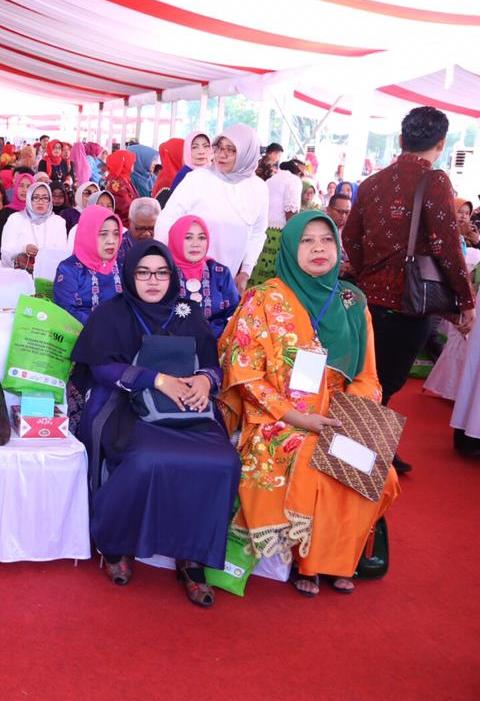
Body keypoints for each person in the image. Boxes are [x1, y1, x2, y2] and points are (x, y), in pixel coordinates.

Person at [219, 212, 400, 596]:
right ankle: (309, 562)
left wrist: (349, 415)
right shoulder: (264, 299)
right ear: (289, 248)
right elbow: (244, 374)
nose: (319, 248)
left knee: (378, 471)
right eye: (307, 240)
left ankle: (339, 558)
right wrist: (299, 417)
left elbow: (368, 375)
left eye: (327, 239)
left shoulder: (352, 302)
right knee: (308, 460)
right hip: (278, 418)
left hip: (339, 417)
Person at [72, 240, 240, 607]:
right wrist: (155, 379)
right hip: (128, 404)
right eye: (144, 272)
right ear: (130, 275)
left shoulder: (187, 312)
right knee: (146, 458)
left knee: (223, 461)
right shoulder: (113, 313)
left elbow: (211, 363)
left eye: (162, 273)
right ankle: (116, 541)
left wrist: (205, 380)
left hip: (187, 407)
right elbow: (100, 368)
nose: (153, 280)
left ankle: (192, 555)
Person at [342, 106, 475, 474]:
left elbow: (350, 236)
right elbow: (448, 247)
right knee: (386, 381)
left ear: (401, 139)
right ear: (441, 143)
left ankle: (370, 448)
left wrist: (367, 270)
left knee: (370, 374)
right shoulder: (434, 181)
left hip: (368, 299)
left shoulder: (372, 183)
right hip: (409, 302)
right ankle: (356, 458)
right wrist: (465, 300)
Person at [155, 124, 269, 295]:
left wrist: (245, 271)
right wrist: (162, 262)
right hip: (185, 275)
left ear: (247, 153)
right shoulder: (198, 178)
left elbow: (258, 233)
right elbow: (167, 219)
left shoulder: (258, 188)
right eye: (220, 147)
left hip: (227, 279)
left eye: (231, 150)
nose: (222, 154)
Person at [167, 215, 238, 338]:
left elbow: (234, 313)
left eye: (201, 238)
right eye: (188, 237)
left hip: (215, 342)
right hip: (172, 344)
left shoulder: (220, 273)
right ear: (176, 239)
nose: (196, 244)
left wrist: (208, 334)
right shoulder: (163, 273)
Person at [54, 206, 124, 325]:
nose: (111, 241)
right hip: (81, 333)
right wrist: (105, 326)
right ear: (88, 235)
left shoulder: (122, 265)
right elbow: (65, 311)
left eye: (116, 234)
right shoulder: (69, 269)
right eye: (103, 234)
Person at [251, 159, 305, 286]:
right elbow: (290, 211)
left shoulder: (270, 181)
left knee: (258, 269)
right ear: (298, 171)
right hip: (279, 233)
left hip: (263, 231)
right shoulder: (294, 181)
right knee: (274, 274)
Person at [1, 181, 70, 272]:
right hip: (20, 274)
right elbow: (6, 250)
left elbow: (62, 252)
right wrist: (24, 248)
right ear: (29, 199)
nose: (40, 202)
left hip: (49, 274)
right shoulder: (15, 219)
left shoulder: (58, 222)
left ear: (50, 201)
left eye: (45, 198)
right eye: (36, 197)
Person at [102, 149, 139, 225]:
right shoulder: (117, 183)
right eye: (131, 161)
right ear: (125, 163)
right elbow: (125, 207)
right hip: (123, 224)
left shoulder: (125, 179)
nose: (133, 164)